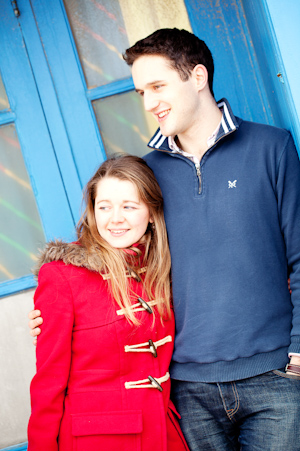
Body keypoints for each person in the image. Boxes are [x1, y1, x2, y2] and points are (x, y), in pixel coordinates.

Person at [29, 28, 300, 450]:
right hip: (187, 391)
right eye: (141, 92)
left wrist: (298, 352)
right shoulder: (150, 171)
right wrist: (57, 305)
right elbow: (113, 241)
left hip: (274, 376)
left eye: (158, 86)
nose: (150, 103)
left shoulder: (271, 147)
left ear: (197, 77)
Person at [27, 155, 189, 451]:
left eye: (129, 206)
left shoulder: (164, 267)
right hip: (98, 440)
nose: (115, 218)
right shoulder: (62, 276)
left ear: (152, 213)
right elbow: (48, 384)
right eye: (104, 207)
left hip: (165, 435)